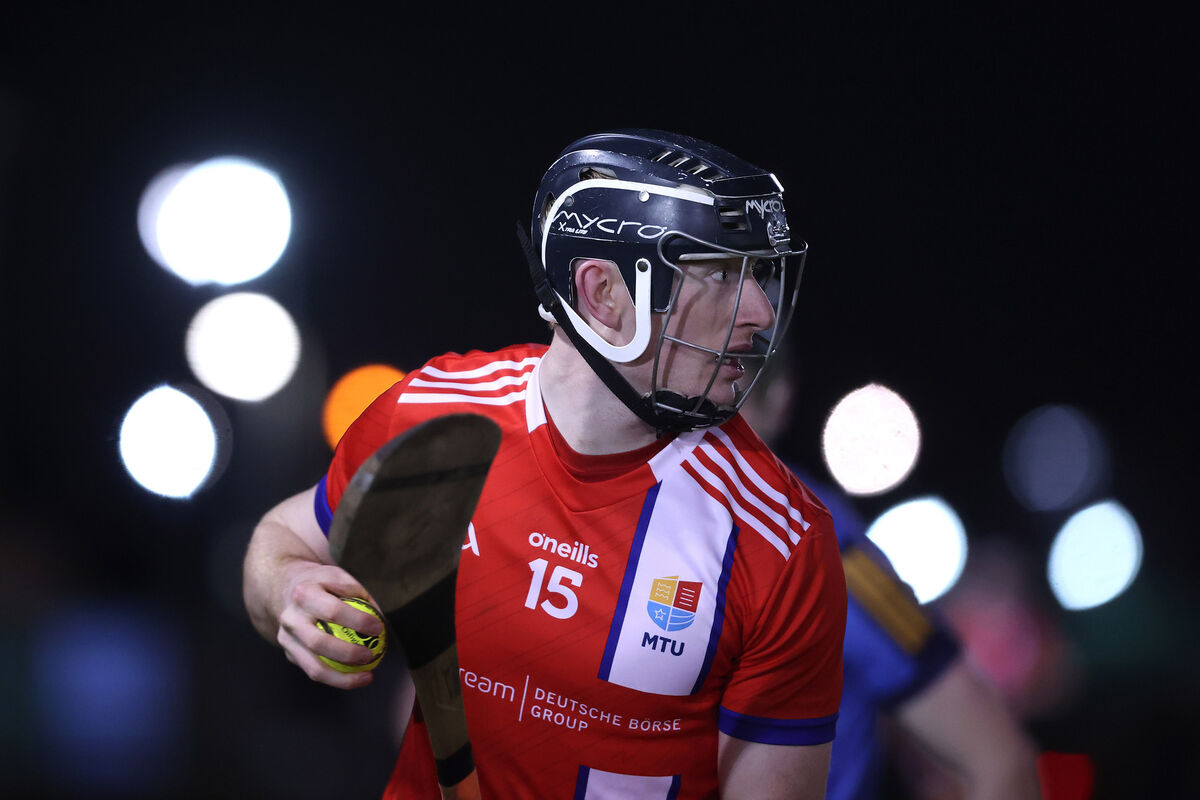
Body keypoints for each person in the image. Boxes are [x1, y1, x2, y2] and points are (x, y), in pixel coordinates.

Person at [243, 129, 847, 800]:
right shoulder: (435, 417)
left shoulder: (781, 542)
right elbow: (286, 537)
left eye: (760, 274)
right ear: (604, 294)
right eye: (722, 274)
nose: (762, 313)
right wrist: (287, 590)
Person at [739, 355, 1043, 800]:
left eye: (733, 391)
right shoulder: (629, 520)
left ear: (779, 402)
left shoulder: (829, 553)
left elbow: (1003, 763)